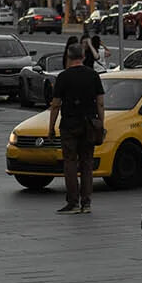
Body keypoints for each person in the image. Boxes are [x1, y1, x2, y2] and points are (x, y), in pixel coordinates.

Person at [48, 48, 105, 214]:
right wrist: (101, 124)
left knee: (70, 163)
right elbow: (100, 102)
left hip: (69, 125)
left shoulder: (63, 77)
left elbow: (56, 104)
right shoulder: (93, 75)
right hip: (89, 124)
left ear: (68, 57)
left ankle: (73, 203)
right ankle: (86, 203)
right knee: (87, 163)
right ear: (84, 57)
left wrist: (51, 127)